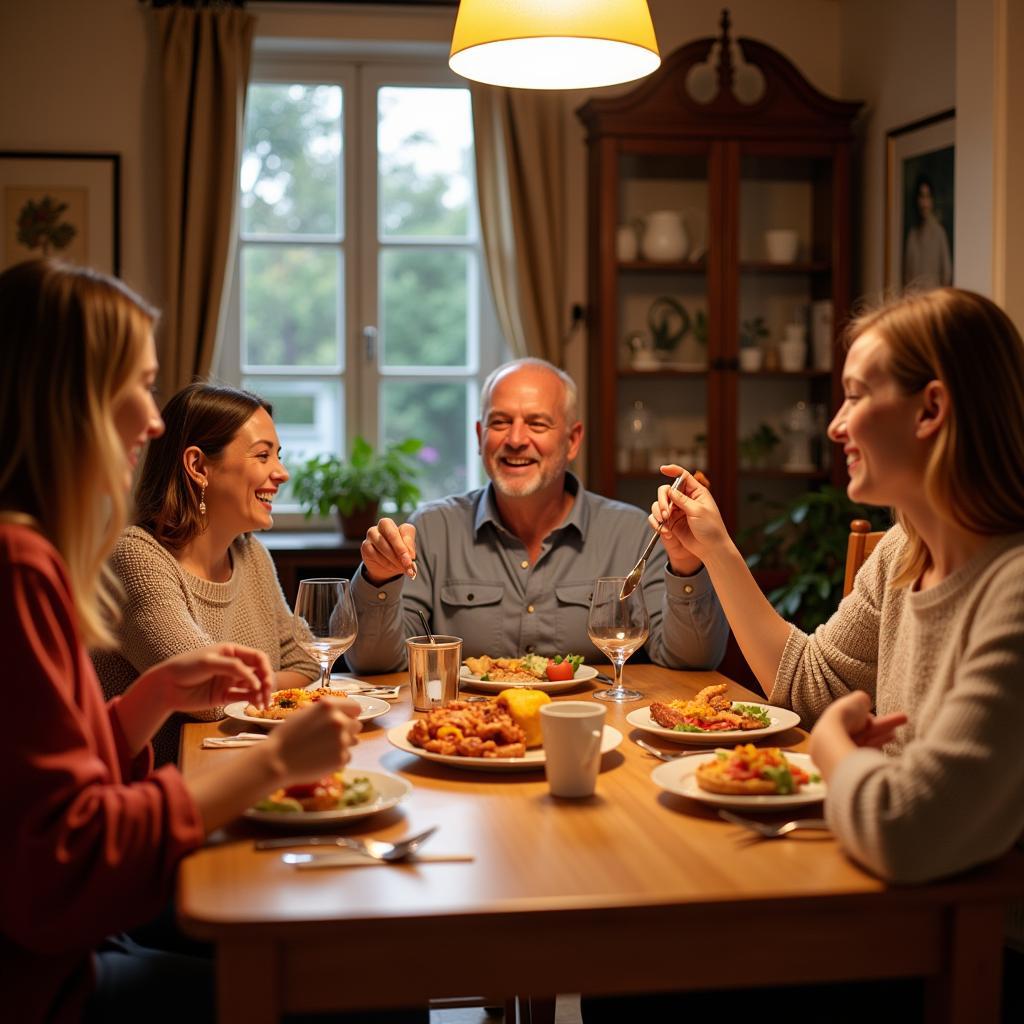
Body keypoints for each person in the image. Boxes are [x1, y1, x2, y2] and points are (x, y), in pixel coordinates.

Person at [0, 260, 363, 1024]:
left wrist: (149, 698)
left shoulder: (35, 552)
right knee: (355, 985)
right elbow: (64, 862)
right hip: (49, 980)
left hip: (73, 940)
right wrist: (274, 761)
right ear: (72, 399)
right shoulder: (23, 566)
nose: (153, 419)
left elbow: (38, 788)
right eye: (136, 385)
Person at [345, 357, 729, 675]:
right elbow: (376, 663)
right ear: (480, 436)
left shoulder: (633, 533)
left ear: (572, 440)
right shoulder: (432, 528)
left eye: (537, 423)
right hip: (469, 738)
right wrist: (379, 576)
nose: (515, 439)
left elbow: (692, 660)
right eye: (499, 422)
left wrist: (686, 565)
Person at [94, 382, 319, 765]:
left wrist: (249, 690)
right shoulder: (136, 557)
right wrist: (274, 690)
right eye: (262, 455)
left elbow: (309, 661)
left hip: (239, 770)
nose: (281, 473)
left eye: (277, 455)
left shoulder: (251, 556)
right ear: (198, 466)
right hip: (154, 794)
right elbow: (206, 699)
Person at [903, 173, 952, 290]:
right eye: (921, 196)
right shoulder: (912, 235)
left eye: (927, 197)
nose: (924, 203)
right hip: (914, 304)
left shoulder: (939, 233)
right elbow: (906, 277)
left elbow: (947, 275)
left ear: (932, 200)